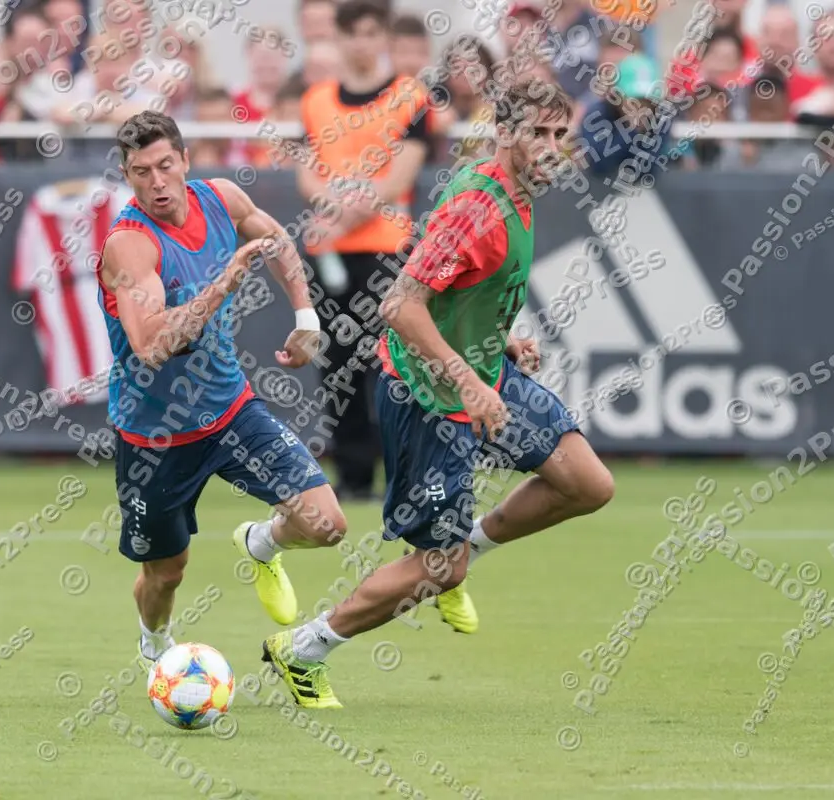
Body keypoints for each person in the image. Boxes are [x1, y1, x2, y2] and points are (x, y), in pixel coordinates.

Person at [261, 79, 616, 708]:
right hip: (427, 395)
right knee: (437, 568)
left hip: (479, 375)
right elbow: (399, 306)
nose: (552, 146)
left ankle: (463, 542)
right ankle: (304, 649)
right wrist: (468, 379)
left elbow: (458, 289)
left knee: (587, 484)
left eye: (561, 134)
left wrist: (499, 344)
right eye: (538, 132)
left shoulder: (512, 188)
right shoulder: (479, 208)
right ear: (504, 134)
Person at [97, 110, 350, 665]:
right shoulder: (130, 245)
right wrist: (223, 284)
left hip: (231, 410)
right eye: (141, 172)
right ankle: (156, 644)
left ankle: (261, 543)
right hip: (154, 436)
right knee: (166, 574)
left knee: (326, 523)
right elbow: (151, 346)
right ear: (127, 175)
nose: (157, 181)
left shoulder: (221, 199)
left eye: (166, 165)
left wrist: (306, 316)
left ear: (186, 160)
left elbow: (277, 238)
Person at [296, 0, 430, 502]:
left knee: (395, 362)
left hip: (386, 249)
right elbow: (307, 167)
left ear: (383, 38)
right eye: (351, 34)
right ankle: (353, 476)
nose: (361, 43)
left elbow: (404, 170)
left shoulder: (410, 96)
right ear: (339, 38)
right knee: (337, 363)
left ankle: (407, 473)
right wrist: (329, 202)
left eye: (371, 33)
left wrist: (354, 209)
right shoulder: (317, 100)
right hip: (329, 250)